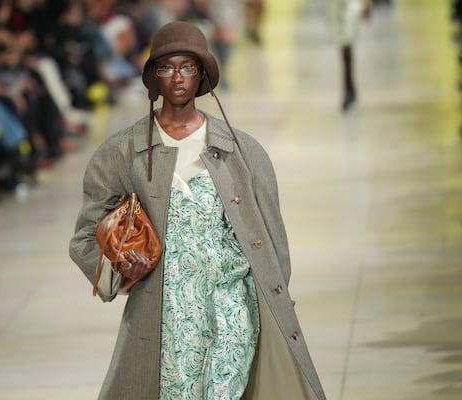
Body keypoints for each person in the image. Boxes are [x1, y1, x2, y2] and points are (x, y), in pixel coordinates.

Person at [69, 21, 326, 400]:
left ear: (202, 75)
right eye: (167, 67)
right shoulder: (121, 153)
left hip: (232, 303)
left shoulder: (243, 151)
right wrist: (122, 266)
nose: (178, 77)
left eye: (188, 67)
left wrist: (271, 296)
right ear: (154, 76)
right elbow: (86, 235)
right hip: (166, 311)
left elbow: (273, 239)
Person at [326, 0, 373, 111]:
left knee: (348, 41)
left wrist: (367, 3)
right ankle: (349, 87)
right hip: (335, 5)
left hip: (352, 4)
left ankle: (348, 89)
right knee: (342, 42)